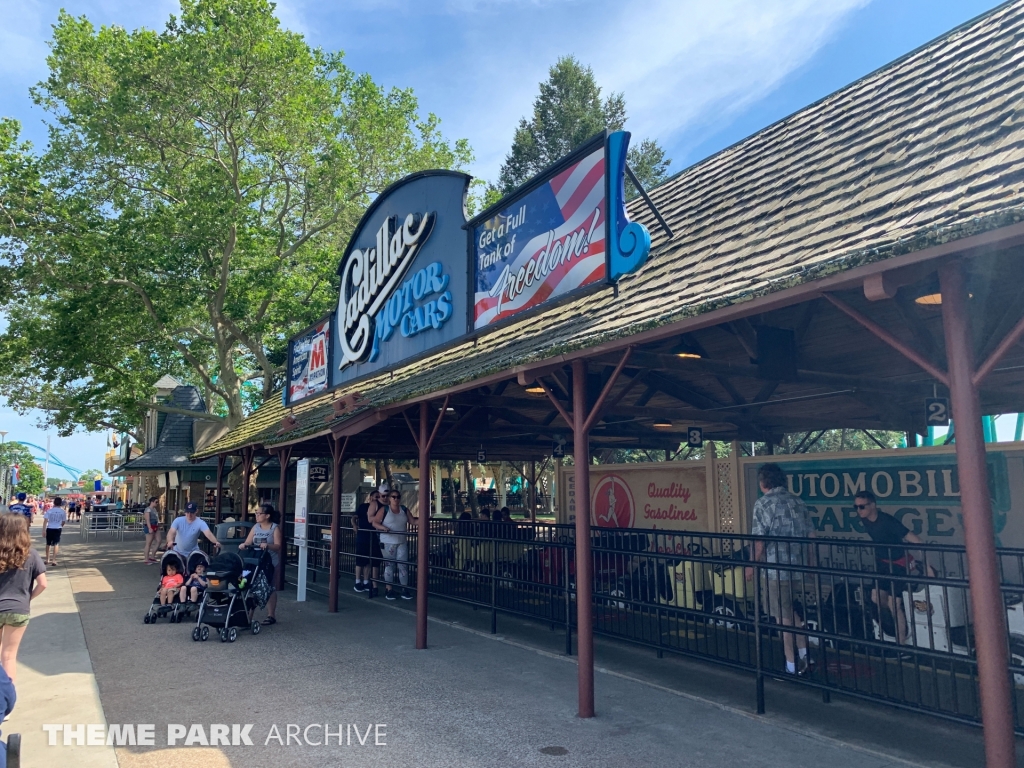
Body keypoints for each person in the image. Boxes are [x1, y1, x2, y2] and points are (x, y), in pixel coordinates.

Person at [745, 463, 816, 676]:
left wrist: (751, 566)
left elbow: (759, 541)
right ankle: (804, 653)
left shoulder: (763, 504)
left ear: (763, 481)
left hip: (776, 569)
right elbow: (812, 536)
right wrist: (812, 563)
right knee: (789, 612)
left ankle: (791, 665)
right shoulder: (798, 502)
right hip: (798, 566)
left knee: (782, 618)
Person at [855, 490, 923, 646]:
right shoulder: (865, 519)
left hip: (898, 564)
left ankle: (901, 644)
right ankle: (899, 615)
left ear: (873, 505)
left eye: (862, 507)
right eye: (856, 507)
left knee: (893, 604)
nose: (859, 510)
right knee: (876, 598)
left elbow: (915, 539)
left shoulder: (888, 521)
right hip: (882, 563)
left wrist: (926, 564)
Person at [0, 514, 46, 685]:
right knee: (9, 656)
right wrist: (28, 598)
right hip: (18, 609)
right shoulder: (31, 554)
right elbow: (43, 584)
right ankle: (6, 698)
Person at [238, 503, 282, 624]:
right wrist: (244, 545)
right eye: (256, 513)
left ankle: (271, 615)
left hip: (270, 561)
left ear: (267, 515)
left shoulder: (274, 528)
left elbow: (278, 546)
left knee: (270, 586)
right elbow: (248, 541)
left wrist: (268, 545)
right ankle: (248, 617)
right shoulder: (256, 527)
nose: (256, 515)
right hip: (255, 560)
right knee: (251, 585)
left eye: (259, 513)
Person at [374, 489, 413, 600]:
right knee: (389, 565)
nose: (396, 499)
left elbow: (413, 521)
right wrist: (383, 528)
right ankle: (389, 589)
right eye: (393, 497)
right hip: (387, 542)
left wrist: (424, 520)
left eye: (398, 497)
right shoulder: (384, 510)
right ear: (390, 499)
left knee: (403, 566)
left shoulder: (404, 509)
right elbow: (375, 522)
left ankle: (404, 589)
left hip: (401, 541)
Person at [351, 489, 381, 593]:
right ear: (371, 497)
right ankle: (357, 581)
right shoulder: (363, 506)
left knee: (369, 560)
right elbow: (354, 517)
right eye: (376, 496)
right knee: (360, 559)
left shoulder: (381, 508)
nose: (377, 499)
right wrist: (354, 525)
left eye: (379, 496)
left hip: (373, 536)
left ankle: (366, 581)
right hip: (363, 535)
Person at [367, 484, 391, 596]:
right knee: (376, 562)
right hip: (377, 536)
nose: (385, 498)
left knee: (389, 561)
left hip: (390, 536)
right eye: (383, 495)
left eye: (387, 495)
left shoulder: (392, 503)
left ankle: (388, 587)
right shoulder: (375, 504)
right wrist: (381, 519)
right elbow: (370, 519)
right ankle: (375, 585)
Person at [42, 497, 67, 566]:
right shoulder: (62, 511)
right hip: (58, 528)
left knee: (48, 543)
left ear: (54, 503)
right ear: (61, 503)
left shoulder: (50, 511)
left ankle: (47, 559)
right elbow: (63, 521)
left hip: (50, 528)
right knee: (56, 543)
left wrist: (43, 530)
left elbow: (45, 521)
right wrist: (61, 525)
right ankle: (54, 560)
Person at [142, 497, 163, 564]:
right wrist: (149, 528)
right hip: (150, 526)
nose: (157, 503)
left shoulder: (154, 509)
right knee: (149, 543)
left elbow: (156, 518)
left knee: (159, 540)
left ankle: (152, 556)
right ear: (152, 502)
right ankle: (146, 559)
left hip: (155, 526)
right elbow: (147, 520)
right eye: (156, 502)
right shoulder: (148, 509)